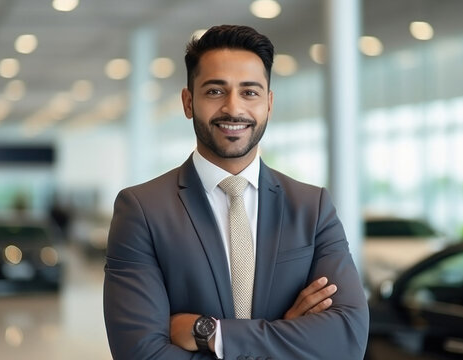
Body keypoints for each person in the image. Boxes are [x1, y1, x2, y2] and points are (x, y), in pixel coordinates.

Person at [103, 24, 369, 359]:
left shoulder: (311, 207)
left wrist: (212, 334)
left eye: (250, 92)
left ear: (269, 103)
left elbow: (347, 338)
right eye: (215, 91)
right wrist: (288, 334)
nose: (233, 108)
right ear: (188, 102)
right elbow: (140, 352)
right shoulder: (142, 210)